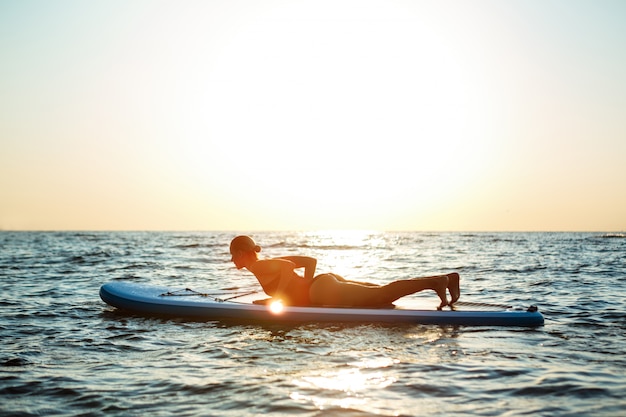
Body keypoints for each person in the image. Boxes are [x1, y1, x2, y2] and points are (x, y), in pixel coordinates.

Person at [229, 235, 461, 310]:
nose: (232, 260)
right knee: (378, 295)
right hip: (325, 284)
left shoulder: (259, 265)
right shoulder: (268, 263)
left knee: (381, 295)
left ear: (241, 253)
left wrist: (296, 294)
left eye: (233, 254)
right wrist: (298, 291)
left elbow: (289, 270)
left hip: (322, 291)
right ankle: (447, 279)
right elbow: (310, 261)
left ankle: (436, 282)